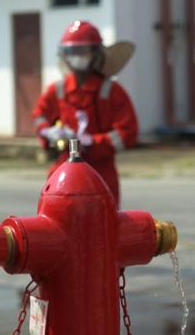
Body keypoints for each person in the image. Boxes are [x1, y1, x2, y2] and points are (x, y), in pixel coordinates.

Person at [33, 20, 138, 209]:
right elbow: (40, 116)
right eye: (72, 52)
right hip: (62, 176)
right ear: (64, 55)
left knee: (101, 231)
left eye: (83, 52)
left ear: (96, 53)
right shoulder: (58, 90)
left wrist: (90, 142)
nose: (77, 57)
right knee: (57, 228)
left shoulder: (112, 92)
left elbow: (127, 134)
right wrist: (49, 133)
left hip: (101, 175)